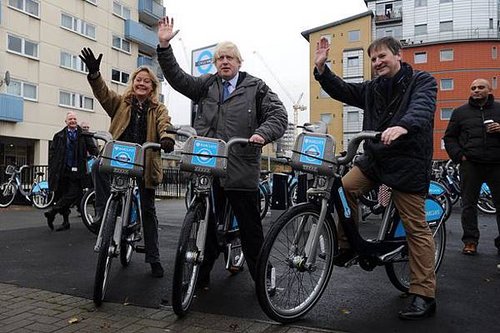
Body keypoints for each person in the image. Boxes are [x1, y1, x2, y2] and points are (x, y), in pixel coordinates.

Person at [156, 16, 288, 288]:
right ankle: (198, 279)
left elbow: (278, 114)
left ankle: (263, 279)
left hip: (240, 167)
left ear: (239, 62)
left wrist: (262, 133)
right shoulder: (206, 84)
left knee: (251, 230)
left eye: (229, 58)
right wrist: (164, 47)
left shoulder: (256, 87)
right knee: (205, 224)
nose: (225, 62)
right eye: (220, 59)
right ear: (215, 64)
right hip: (208, 165)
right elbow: (178, 79)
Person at [314, 36, 437, 320]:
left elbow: (422, 107)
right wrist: (322, 69)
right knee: (343, 189)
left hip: (407, 162)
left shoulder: (422, 81)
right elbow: (343, 90)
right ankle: (347, 247)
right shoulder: (372, 88)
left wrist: (403, 126)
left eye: (382, 56)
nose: (377, 62)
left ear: (398, 55)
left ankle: (424, 294)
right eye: (373, 59)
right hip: (375, 159)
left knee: (415, 227)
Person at [79, 47, 176, 278]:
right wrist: (94, 74)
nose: (141, 84)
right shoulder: (121, 103)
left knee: (148, 209)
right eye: (138, 80)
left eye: (146, 81)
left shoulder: (158, 108)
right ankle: (103, 211)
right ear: (133, 83)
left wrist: (166, 138)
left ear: (152, 86)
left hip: (145, 160)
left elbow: (165, 123)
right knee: (99, 167)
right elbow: (103, 93)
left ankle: (154, 258)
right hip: (120, 157)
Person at [443, 78, 500, 255]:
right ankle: (470, 241)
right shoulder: (460, 112)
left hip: (497, 163)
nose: (476, 90)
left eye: (481, 87)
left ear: (490, 89)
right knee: (468, 204)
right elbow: (449, 137)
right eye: (473, 88)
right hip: (470, 164)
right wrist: (460, 156)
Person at [45, 111, 99, 231]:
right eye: (70, 119)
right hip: (62, 170)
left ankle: (53, 211)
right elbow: (53, 153)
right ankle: (66, 222)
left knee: (73, 193)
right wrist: (53, 168)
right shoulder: (58, 136)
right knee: (63, 194)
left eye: (74, 119)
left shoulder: (84, 135)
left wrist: (98, 157)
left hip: (78, 171)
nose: (73, 121)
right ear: (66, 122)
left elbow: (93, 149)